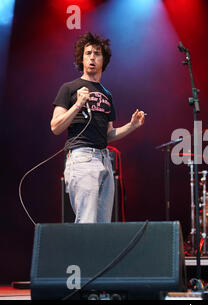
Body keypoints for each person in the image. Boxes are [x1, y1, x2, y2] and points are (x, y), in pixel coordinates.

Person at [50, 32, 146, 223]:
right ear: (81, 58)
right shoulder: (69, 88)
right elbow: (55, 126)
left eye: (97, 53)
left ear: (104, 60)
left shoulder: (107, 94)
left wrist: (132, 126)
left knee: (103, 226)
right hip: (82, 157)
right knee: (87, 221)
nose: (92, 57)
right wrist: (78, 104)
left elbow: (108, 134)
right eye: (88, 53)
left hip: (104, 159)